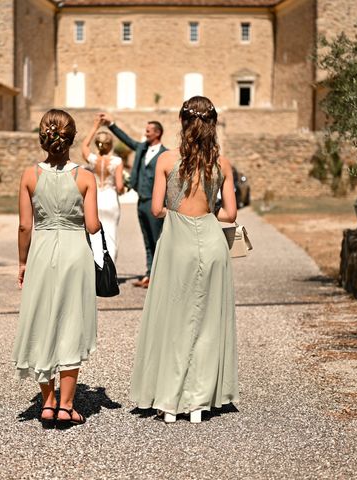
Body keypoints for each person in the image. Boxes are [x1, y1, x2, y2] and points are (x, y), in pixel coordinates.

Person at [129, 96, 239, 423]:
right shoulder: (223, 163)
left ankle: (168, 402)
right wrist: (208, 211)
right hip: (211, 242)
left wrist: (179, 210)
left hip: (177, 243)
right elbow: (230, 213)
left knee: (172, 321)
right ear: (213, 124)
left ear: (181, 122)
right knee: (206, 323)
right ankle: (199, 403)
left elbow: (157, 208)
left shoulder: (165, 160)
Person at [12, 109, 100, 429]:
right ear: (72, 138)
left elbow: (25, 227)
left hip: (42, 250)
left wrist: (22, 262)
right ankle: (67, 406)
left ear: (43, 138)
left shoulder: (29, 176)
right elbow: (92, 227)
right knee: (70, 321)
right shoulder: (86, 177)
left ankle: (47, 402)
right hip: (75, 250)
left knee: (42, 319)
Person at [99, 112, 167, 288]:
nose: (146, 133)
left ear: (157, 133)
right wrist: (111, 124)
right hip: (142, 201)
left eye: (149, 131)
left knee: (157, 239)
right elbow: (127, 139)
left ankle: (158, 276)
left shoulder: (165, 154)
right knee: (146, 239)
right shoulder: (142, 148)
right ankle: (149, 274)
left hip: (156, 202)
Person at [81, 115, 124, 266]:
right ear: (111, 145)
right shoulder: (117, 162)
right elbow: (119, 187)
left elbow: (84, 147)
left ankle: (96, 269)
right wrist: (124, 188)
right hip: (110, 199)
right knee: (111, 236)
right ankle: (109, 273)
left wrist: (95, 126)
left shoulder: (92, 160)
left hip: (95, 199)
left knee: (94, 235)